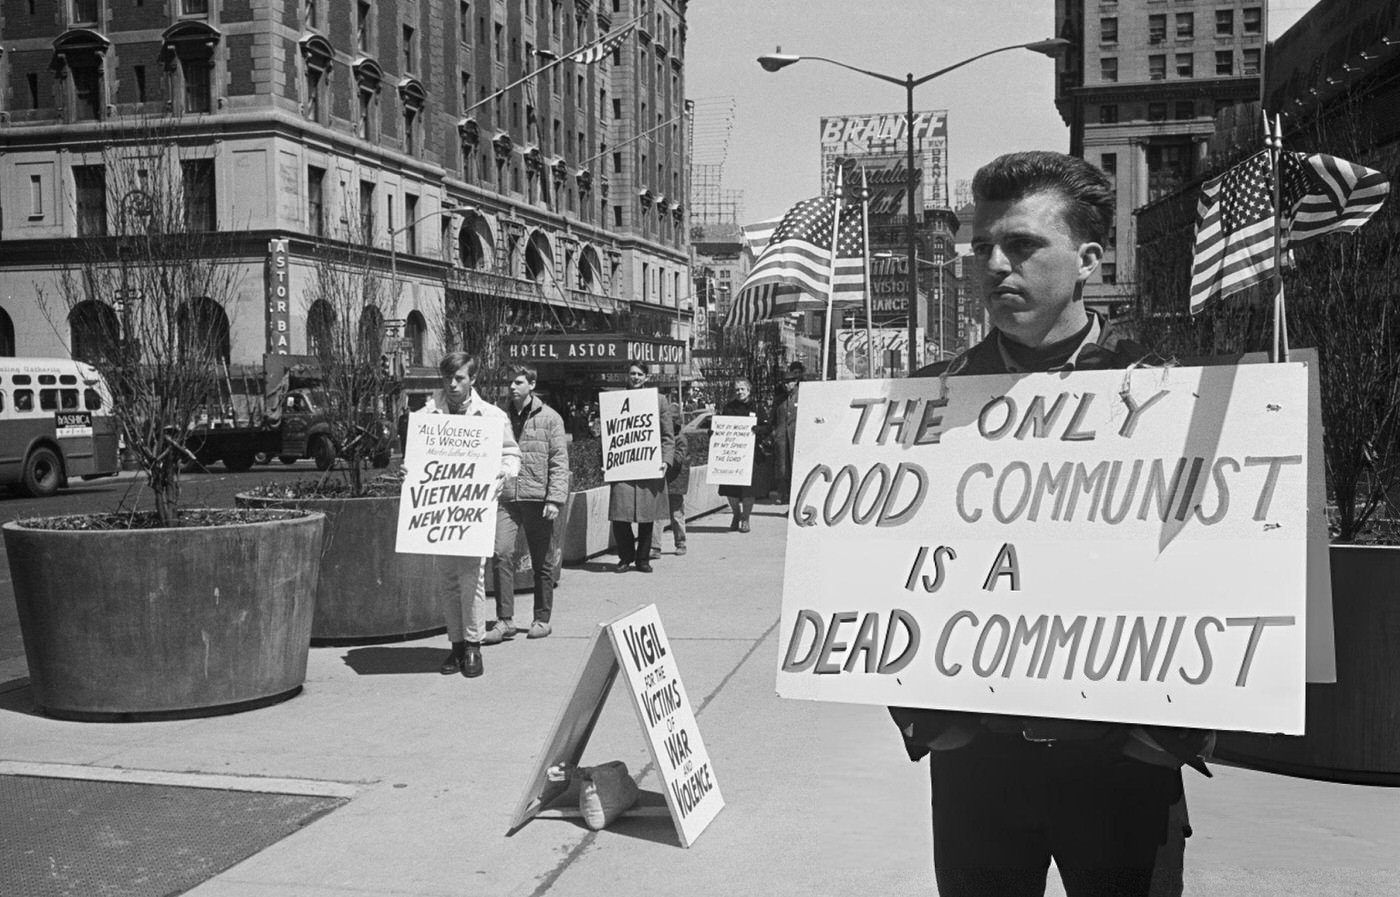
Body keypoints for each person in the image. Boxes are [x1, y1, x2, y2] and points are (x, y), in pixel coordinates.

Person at [893, 151, 1205, 897]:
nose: (997, 265)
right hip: (979, 768)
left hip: (1126, 766)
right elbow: (885, 569)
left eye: (1024, 245)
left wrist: (1166, 741)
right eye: (983, 249)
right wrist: (929, 720)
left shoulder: (1174, 390)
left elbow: (1216, 573)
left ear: (1088, 259)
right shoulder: (927, 404)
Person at [426, 352, 520, 679]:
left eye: (460, 378)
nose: (452, 385)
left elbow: (511, 455)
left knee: (473, 579)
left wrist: (502, 474)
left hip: (473, 510)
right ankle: (455, 646)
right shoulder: (429, 415)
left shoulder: (492, 416)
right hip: (440, 510)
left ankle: (473, 646)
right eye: (448, 378)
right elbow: (418, 454)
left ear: (473, 379)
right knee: (448, 581)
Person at [484, 364, 569, 645]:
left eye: (519, 382)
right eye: (511, 382)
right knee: (501, 554)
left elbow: (558, 461)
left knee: (542, 561)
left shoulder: (550, 418)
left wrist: (555, 499)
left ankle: (541, 619)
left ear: (532, 384)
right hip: (506, 497)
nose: (512, 387)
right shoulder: (499, 417)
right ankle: (505, 620)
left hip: (537, 498)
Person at [607, 360, 675, 573]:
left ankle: (642, 559)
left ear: (646, 378)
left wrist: (665, 460)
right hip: (623, 467)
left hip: (648, 465)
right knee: (620, 515)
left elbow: (667, 435)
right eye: (632, 374)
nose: (635, 377)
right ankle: (625, 557)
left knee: (648, 516)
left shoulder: (659, 401)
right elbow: (609, 436)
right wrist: (607, 463)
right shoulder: (615, 400)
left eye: (639, 374)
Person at [717, 378, 767, 532]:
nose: (739, 392)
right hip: (731, 455)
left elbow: (767, 427)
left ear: (749, 391)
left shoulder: (757, 407)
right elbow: (721, 426)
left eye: (742, 389)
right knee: (729, 489)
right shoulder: (728, 408)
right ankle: (736, 514)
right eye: (737, 389)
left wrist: (759, 431)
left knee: (748, 491)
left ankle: (745, 518)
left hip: (750, 455)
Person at [651, 396, 689, 557]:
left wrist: (664, 456)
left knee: (676, 514)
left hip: (675, 482)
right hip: (661, 481)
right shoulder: (658, 438)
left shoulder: (680, 439)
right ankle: (655, 547)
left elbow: (678, 459)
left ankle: (681, 542)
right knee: (657, 515)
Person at [770, 360, 805, 503]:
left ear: (795, 382)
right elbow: (773, 418)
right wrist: (774, 433)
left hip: (798, 438)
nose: (786, 385)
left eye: (789, 382)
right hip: (782, 439)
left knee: (797, 468)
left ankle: (797, 498)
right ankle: (784, 494)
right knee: (783, 469)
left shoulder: (803, 396)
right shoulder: (779, 400)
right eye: (784, 382)